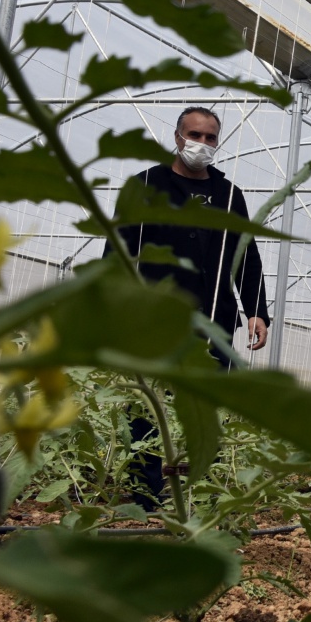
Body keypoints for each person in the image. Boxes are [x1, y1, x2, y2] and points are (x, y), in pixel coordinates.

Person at [108, 106, 271, 507]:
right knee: (146, 405)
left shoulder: (230, 196)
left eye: (210, 137)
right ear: (177, 136)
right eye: (194, 134)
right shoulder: (145, 185)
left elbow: (245, 256)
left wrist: (256, 310)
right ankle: (145, 495)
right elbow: (119, 251)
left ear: (218, 142)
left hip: (213, 318)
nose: (201, 143)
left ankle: (206, 490)